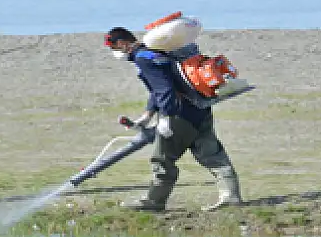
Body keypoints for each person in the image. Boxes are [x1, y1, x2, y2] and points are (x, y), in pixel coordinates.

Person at [104, 26, 243, 212]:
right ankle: (231, 195)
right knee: (212, 154)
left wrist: (166, 118)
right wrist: (148, 115)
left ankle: (155, 201)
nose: (115, 53)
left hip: (179, 114)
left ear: (122, 44)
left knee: (163, 159)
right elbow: (161, 87)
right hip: (200, 107)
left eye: (114, 48)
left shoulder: (142, 59)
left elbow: (164, 90)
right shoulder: (155, 52)